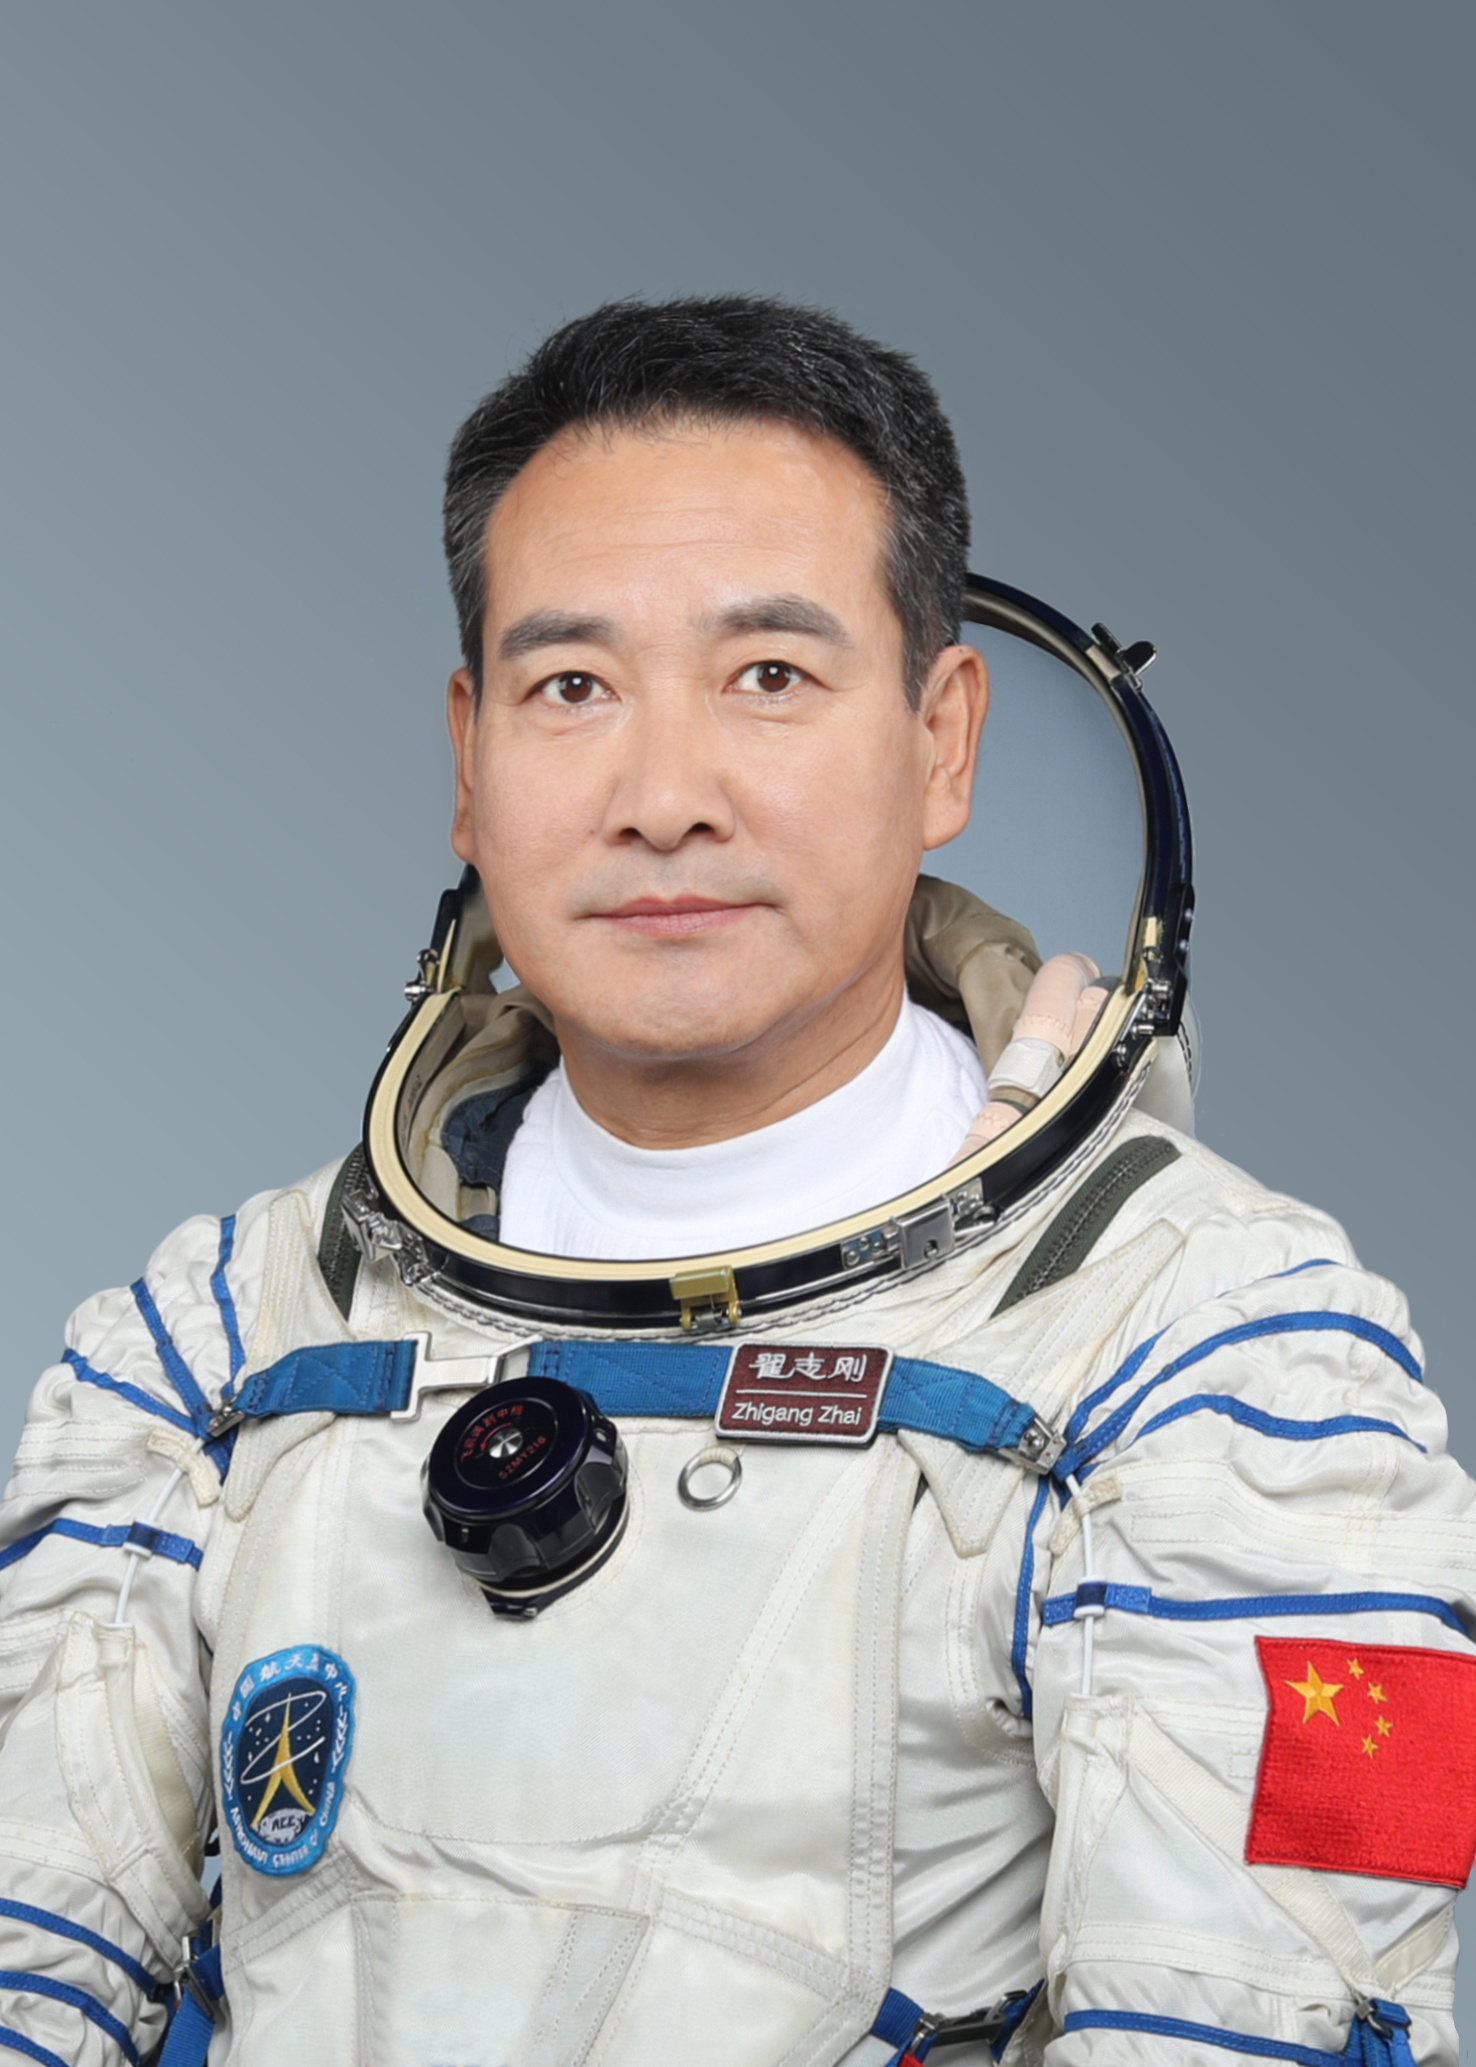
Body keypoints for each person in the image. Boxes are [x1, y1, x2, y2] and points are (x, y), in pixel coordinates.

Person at [0, 296, 1471, 2067]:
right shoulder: (215, 1345)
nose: (664, 796)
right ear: (467, 761)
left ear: (942, 741)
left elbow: (1272, 2024)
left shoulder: (1237, 1360)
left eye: (770, 676)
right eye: (572, 688)